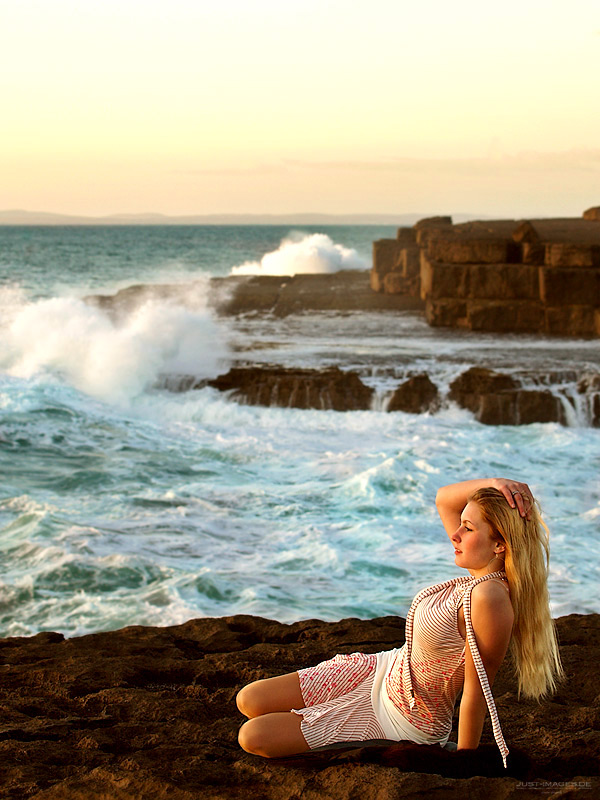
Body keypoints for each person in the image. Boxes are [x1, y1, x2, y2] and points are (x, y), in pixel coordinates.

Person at [236, 478, 563, 768]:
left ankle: (354, 733)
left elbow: (478, 689)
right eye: (461, 524)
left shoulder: (489, 597)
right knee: (249, 700)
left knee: (253, 737)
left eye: (468, 528)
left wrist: (464, 760)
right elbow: (444, 498)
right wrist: (497, 483)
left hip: (404, 719)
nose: (454, 534)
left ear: (499, 545)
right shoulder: (477, 574)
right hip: (381, 669)